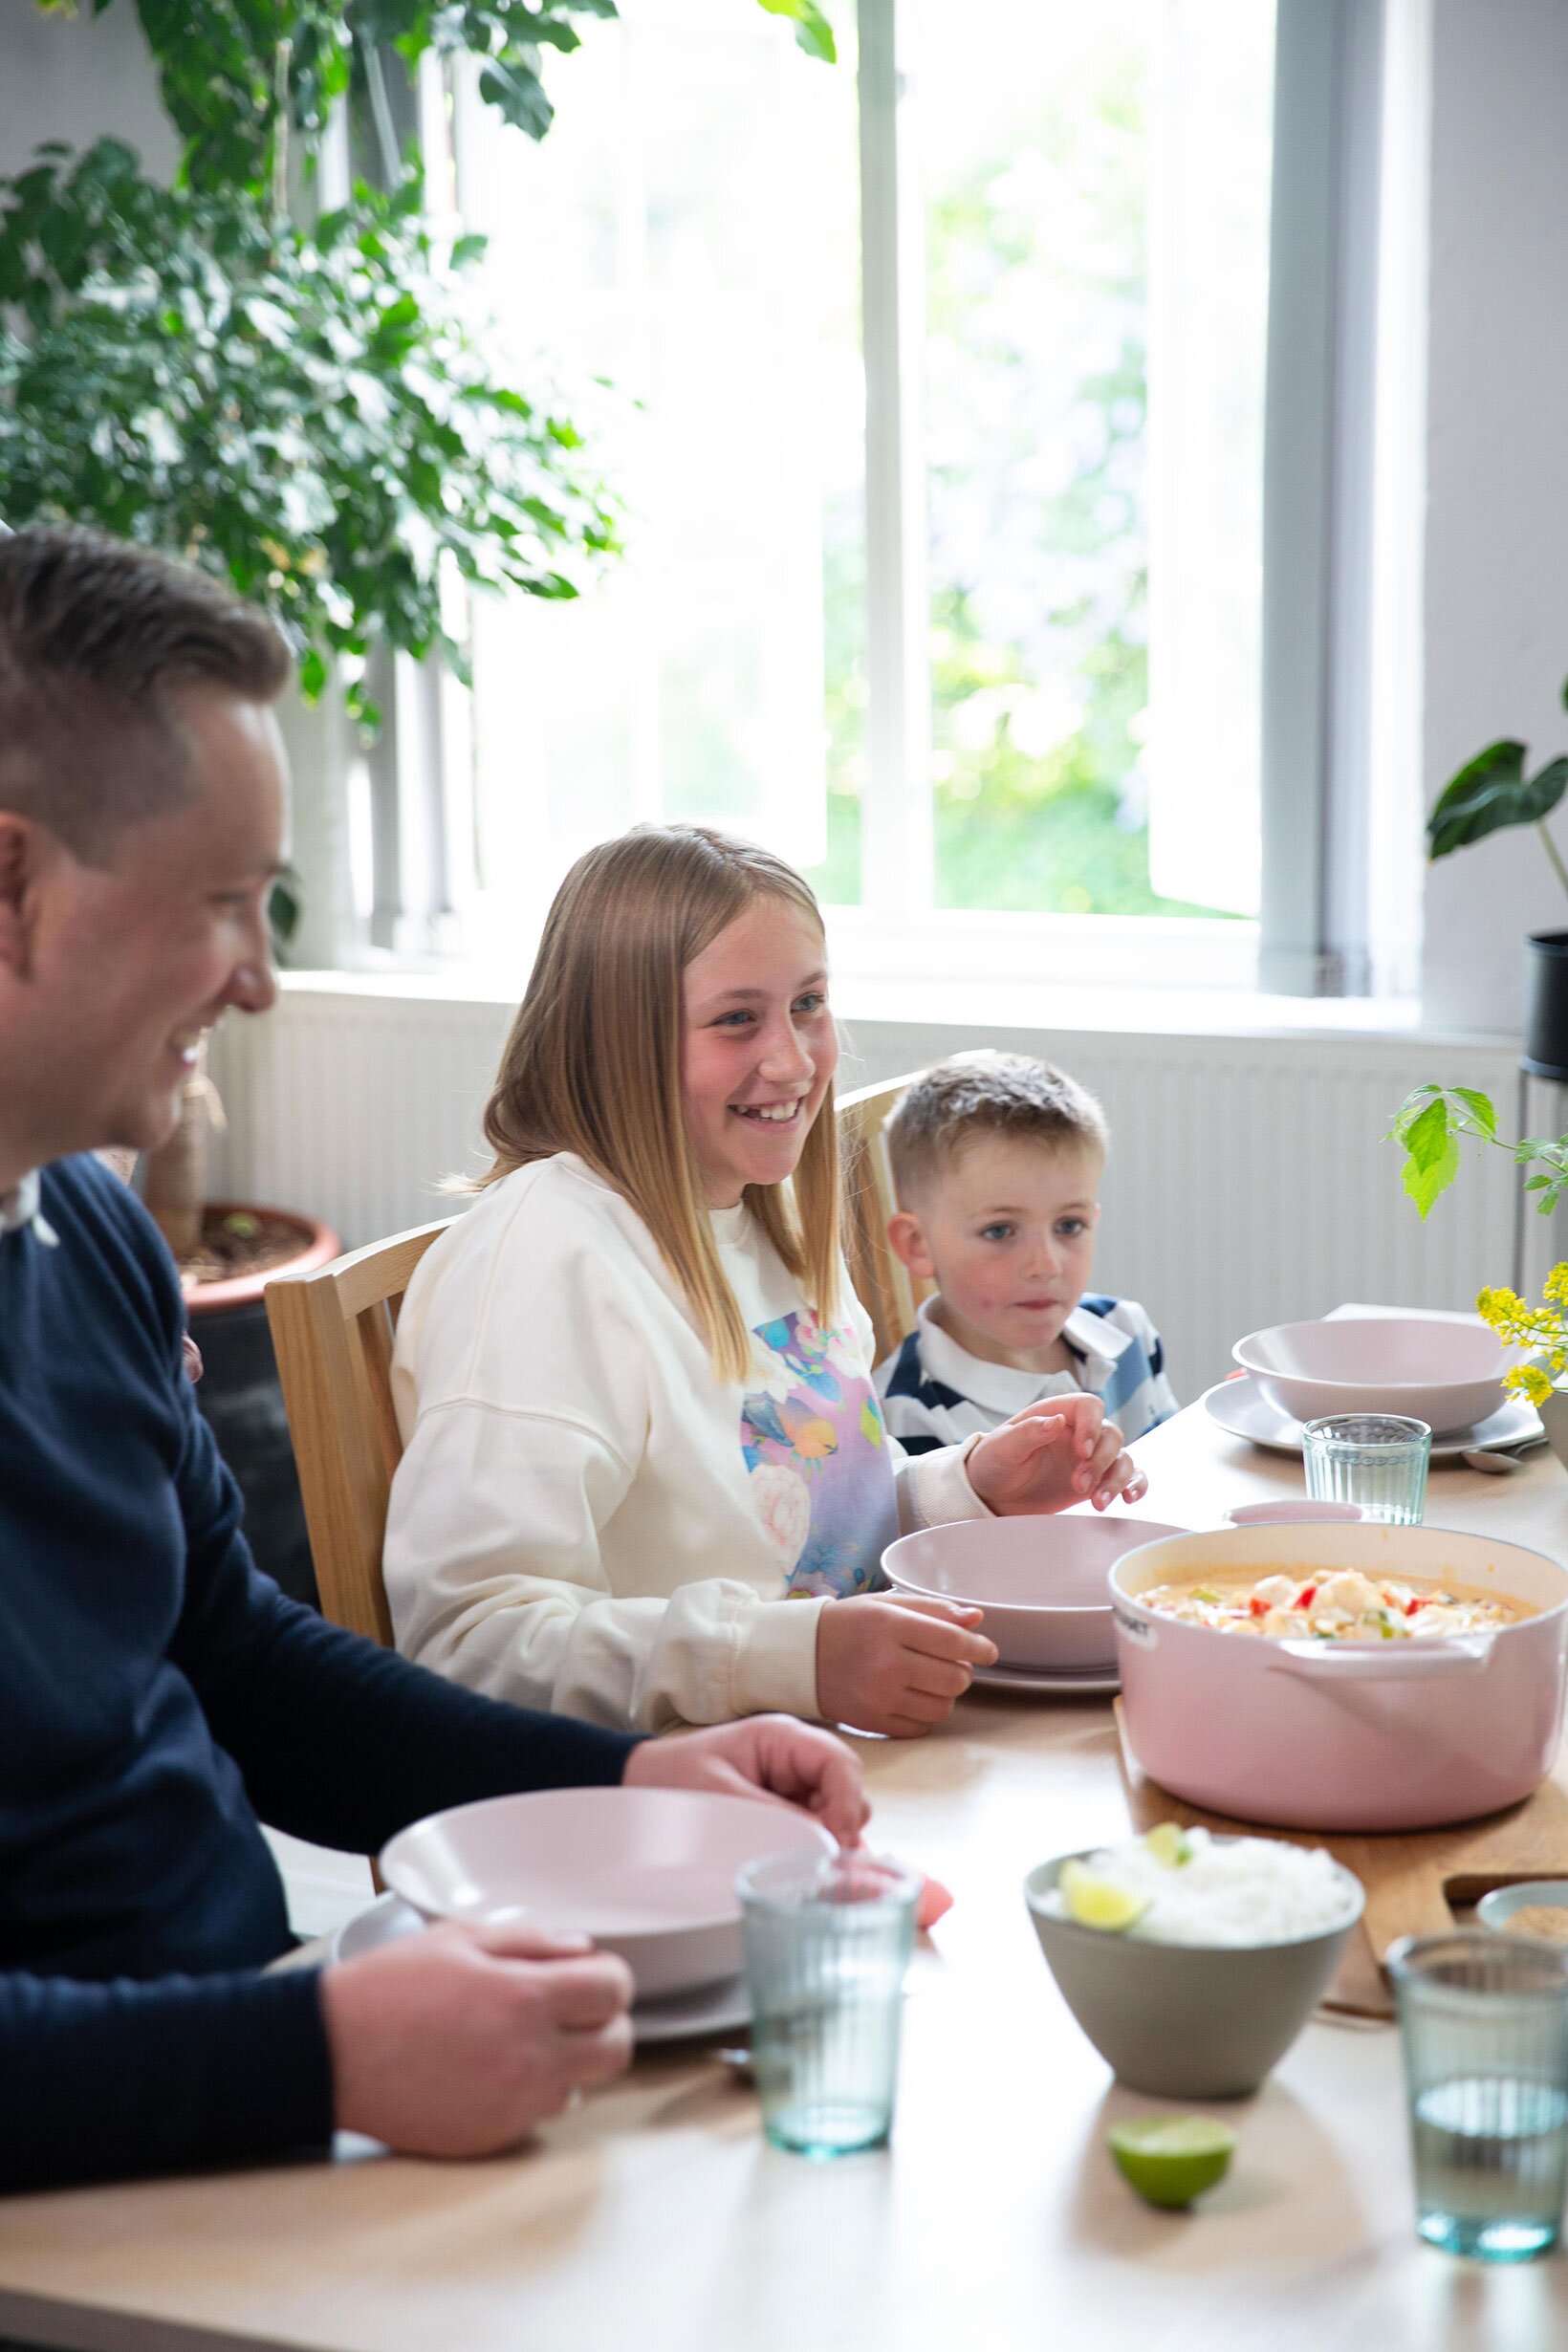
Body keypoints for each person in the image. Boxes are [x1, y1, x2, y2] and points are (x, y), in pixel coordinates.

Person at [0, 525, 867, 2193]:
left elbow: (240, 1658)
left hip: (234, 2036)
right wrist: (319, 2054)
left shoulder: (87, 1231)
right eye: (224, 906)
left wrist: (626, 1774)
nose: (259, 977)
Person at [382, 828, 1150, 1743]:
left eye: (809, 1004)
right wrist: (787, 1660)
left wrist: (967, 1485)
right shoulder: (541, 1256)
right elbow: (466, 1639)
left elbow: (795, 1533)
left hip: (836, 1748)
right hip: (673, 1804)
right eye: (736, 1018)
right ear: (617, 1039)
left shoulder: (760, 1216)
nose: (792, 1061)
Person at [875, 1055, 1178, 1456]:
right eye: (999, 1231)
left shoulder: (1127, 1331)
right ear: (917, 1244)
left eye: (1069, 1225)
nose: (1046, 1265)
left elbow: (1173, 1474)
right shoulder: (904, 1418)